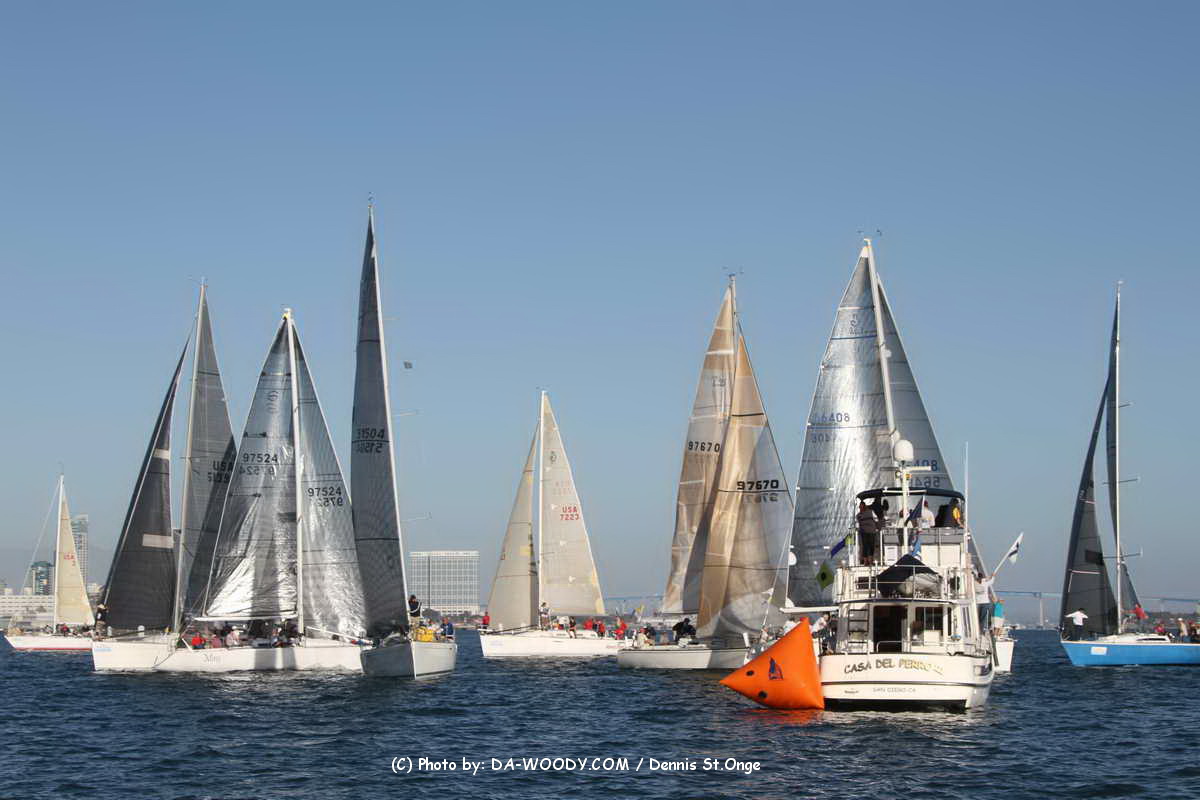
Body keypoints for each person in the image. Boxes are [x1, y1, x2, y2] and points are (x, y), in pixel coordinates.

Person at [856, 501, 880, 565]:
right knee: (865, 546)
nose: (860, 508)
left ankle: (870, 560)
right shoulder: (858, 515)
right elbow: (858, 523)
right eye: (860, 507)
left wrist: (877, 527)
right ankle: (866, 561)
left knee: (870, 546)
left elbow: (876, 519)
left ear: (864, 506)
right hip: (864, 532)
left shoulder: (870, 512)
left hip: (871, 531)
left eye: (861, 506)